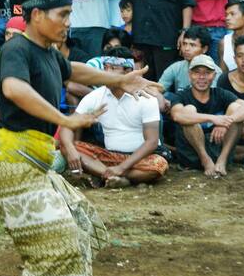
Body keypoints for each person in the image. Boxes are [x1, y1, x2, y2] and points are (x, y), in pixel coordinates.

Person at [0, 0, 160, 276]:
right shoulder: (16, 50)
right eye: (62, 14)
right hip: (13, 165)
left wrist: (118, 80)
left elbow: (73, 70)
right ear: (36, 15)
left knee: (82, 224)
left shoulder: (47, 52)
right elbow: (13, 88)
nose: (68, 22)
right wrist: (64, 119)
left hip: (35, 163)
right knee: (57, 240)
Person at [60, 46, 167, 188]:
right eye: (105, 67)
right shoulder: (96, 96)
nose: (106, 72)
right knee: (67, 146)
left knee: (158, 165)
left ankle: (108, 176)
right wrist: (70, 148)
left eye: (112, 68)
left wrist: (121, 168)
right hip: (109, 156)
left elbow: (152, 142)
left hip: (141, 158)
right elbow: (68, 125)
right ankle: (118, 178)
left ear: (128, 71)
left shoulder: (146, 97)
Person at [170, 53, 244, 176]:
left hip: (218, 149)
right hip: (193, 156)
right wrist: (214, 119)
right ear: (190, 75)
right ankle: (206, 160)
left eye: (207, 73)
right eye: (197, 72)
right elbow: (177, 116)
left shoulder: (220, 93)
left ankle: (222, 160)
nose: (201, 77)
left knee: (235, 108)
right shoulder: (181, 95)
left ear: (214, 75)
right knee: (188, 111)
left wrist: (225, 122)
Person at [159, 25, 222, 94]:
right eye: (184, 44)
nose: (186, 49)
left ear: (204, 49)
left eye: (192, 45)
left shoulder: (215, 72)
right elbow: (158, 88)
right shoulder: (176, 67)